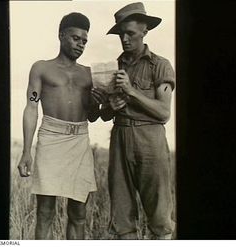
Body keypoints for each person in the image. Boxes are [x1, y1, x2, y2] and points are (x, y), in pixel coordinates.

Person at [92, 2, 176, 240]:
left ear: (145, 30)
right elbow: (106, 115)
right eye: (121, 34)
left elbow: (164, 113)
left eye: (130, 33)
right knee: (122, 218)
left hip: (150, 141)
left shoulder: (160, 65)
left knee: (160, 218)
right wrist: (108, 105)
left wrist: (131, 91)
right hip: (119, 140)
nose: (125, 39)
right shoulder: (113, 67)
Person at [17, 12, 102, 240]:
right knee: (45, 211)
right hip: (51, 139)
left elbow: (93, 116)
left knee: (79, 213)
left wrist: (96, 103)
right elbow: (31, 107)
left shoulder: (88, 74)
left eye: (84, 41)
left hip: (80, 140)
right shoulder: (42, 68)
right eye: (76, 38)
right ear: (61, 35)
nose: (80, 45)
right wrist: (26, 151)